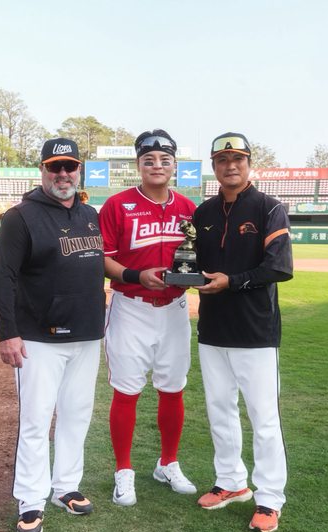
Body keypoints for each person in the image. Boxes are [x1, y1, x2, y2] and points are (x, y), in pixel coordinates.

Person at [0, 137, 105, 532]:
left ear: (79, 171)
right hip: (39, 337)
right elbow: (4, 279)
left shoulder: (90, 214)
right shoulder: (20, 217)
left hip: (87, 334)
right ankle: (30, 499)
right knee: (37, 420)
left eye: (69, 166)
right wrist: (8, 334)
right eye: (55, 167)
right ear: (42, 170)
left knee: (77, 413)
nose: (62, 174)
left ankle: (66, 487)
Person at [193, 131, 293, 532]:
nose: (230, 165)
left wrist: (230, 282)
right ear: (214, 166)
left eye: (237, 159)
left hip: (255, 330)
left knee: (263, 417)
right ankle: (231, 482)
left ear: (249, 164)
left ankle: (269, 498)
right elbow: (193, 264)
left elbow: (279, 267)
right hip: (212, 329)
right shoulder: (203, 213)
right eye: (222, 160)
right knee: (219, 410)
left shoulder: (269, 208)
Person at [99, 129, 197, 506]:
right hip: (131, 306)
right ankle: (123, 470)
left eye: (164, 160)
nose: (157, 165)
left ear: (174, 166)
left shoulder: (187, 208)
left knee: (173, 387)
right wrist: (136, 275)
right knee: (127, 390)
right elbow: (103, 260)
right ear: (138, 165)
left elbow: (195, 255)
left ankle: (168, 463)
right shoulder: (118, 205)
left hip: (174, 309)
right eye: (149, 160)